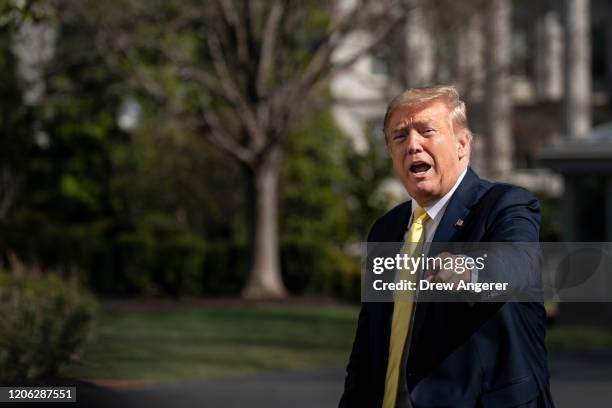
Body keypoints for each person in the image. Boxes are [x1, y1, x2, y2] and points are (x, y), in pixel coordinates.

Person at [339, 86, 554, 408]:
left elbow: (517, 263)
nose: (412, 145)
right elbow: (369, 342)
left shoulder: (506, 204)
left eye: (426, 131)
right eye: (399, 137)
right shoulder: (386, 229)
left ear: (462, 145)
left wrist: (469, 269)